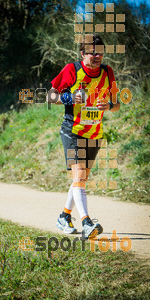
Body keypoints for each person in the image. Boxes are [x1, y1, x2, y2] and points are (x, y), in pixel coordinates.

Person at [48, 34, 120, 239]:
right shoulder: (72, 70)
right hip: (72, 130)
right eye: (92, 53)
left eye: (100, 52)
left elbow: (117, 104)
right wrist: (69, 97)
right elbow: (50, 96)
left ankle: (64, 216)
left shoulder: (108, 72)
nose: (97, 56)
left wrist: (109, 106)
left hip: (94, 133)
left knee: (81, 180)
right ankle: (87, 222)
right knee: (78, 176)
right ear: (82, 53)